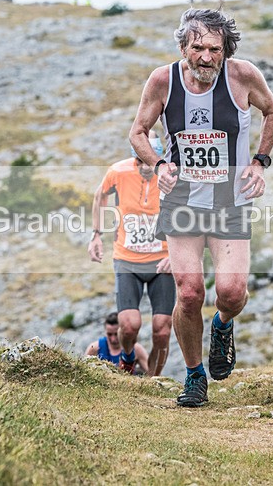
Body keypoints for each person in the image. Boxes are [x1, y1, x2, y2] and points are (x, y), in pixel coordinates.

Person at [129, 8, 273, 407]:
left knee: (231, 292)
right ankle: (195, 376)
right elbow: (138, 132)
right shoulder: (163, 80)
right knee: (191, 292)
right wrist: (158, 164)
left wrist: (259, 162)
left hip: (230, 200)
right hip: (182, 200)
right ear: (183, 46)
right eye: (198, 48)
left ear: (225, 49)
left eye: (215, 49)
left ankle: (223, 325)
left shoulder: (242, 75)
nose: (206, 57)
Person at [88, 132, 175, 377]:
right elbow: (100, 196)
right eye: (140, 160)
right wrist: (96, 234)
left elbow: (188, 212)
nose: (145, 167)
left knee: (162, 330)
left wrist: (178, 254)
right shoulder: (119, 171)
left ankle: (152, 380)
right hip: (127, 260)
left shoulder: (171, 175)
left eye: (151, 161)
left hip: (162, 261)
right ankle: (128, 358)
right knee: (129, 325)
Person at [85, 312, 149, 374]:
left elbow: (152, 373)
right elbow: (83, 370)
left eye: (116, 334)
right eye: (109, 334)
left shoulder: (135, 348)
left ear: (121, 332)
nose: (113, 339)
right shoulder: (95, 348)